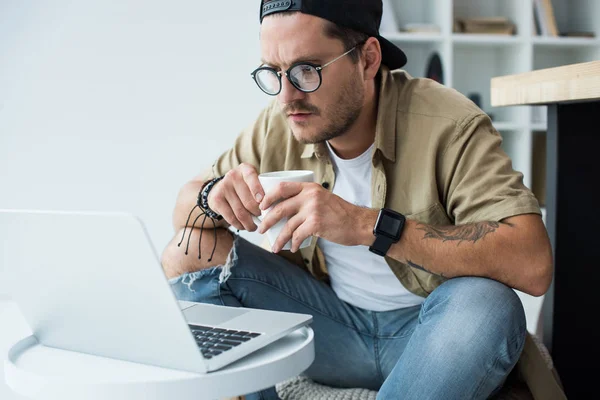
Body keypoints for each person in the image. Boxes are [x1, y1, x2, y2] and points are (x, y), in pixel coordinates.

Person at [160, 1, 565, 399]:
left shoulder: (449, 123)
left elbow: (531, 263)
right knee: (187, 250)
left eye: (306, 71)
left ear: (368, 59)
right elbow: (184, 207)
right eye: (273, 72)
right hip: (328, 330)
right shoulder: (280, 122)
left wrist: (364, 225)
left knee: (489, 305)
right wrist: (212, 196)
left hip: (432, 336)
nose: (286, 97)